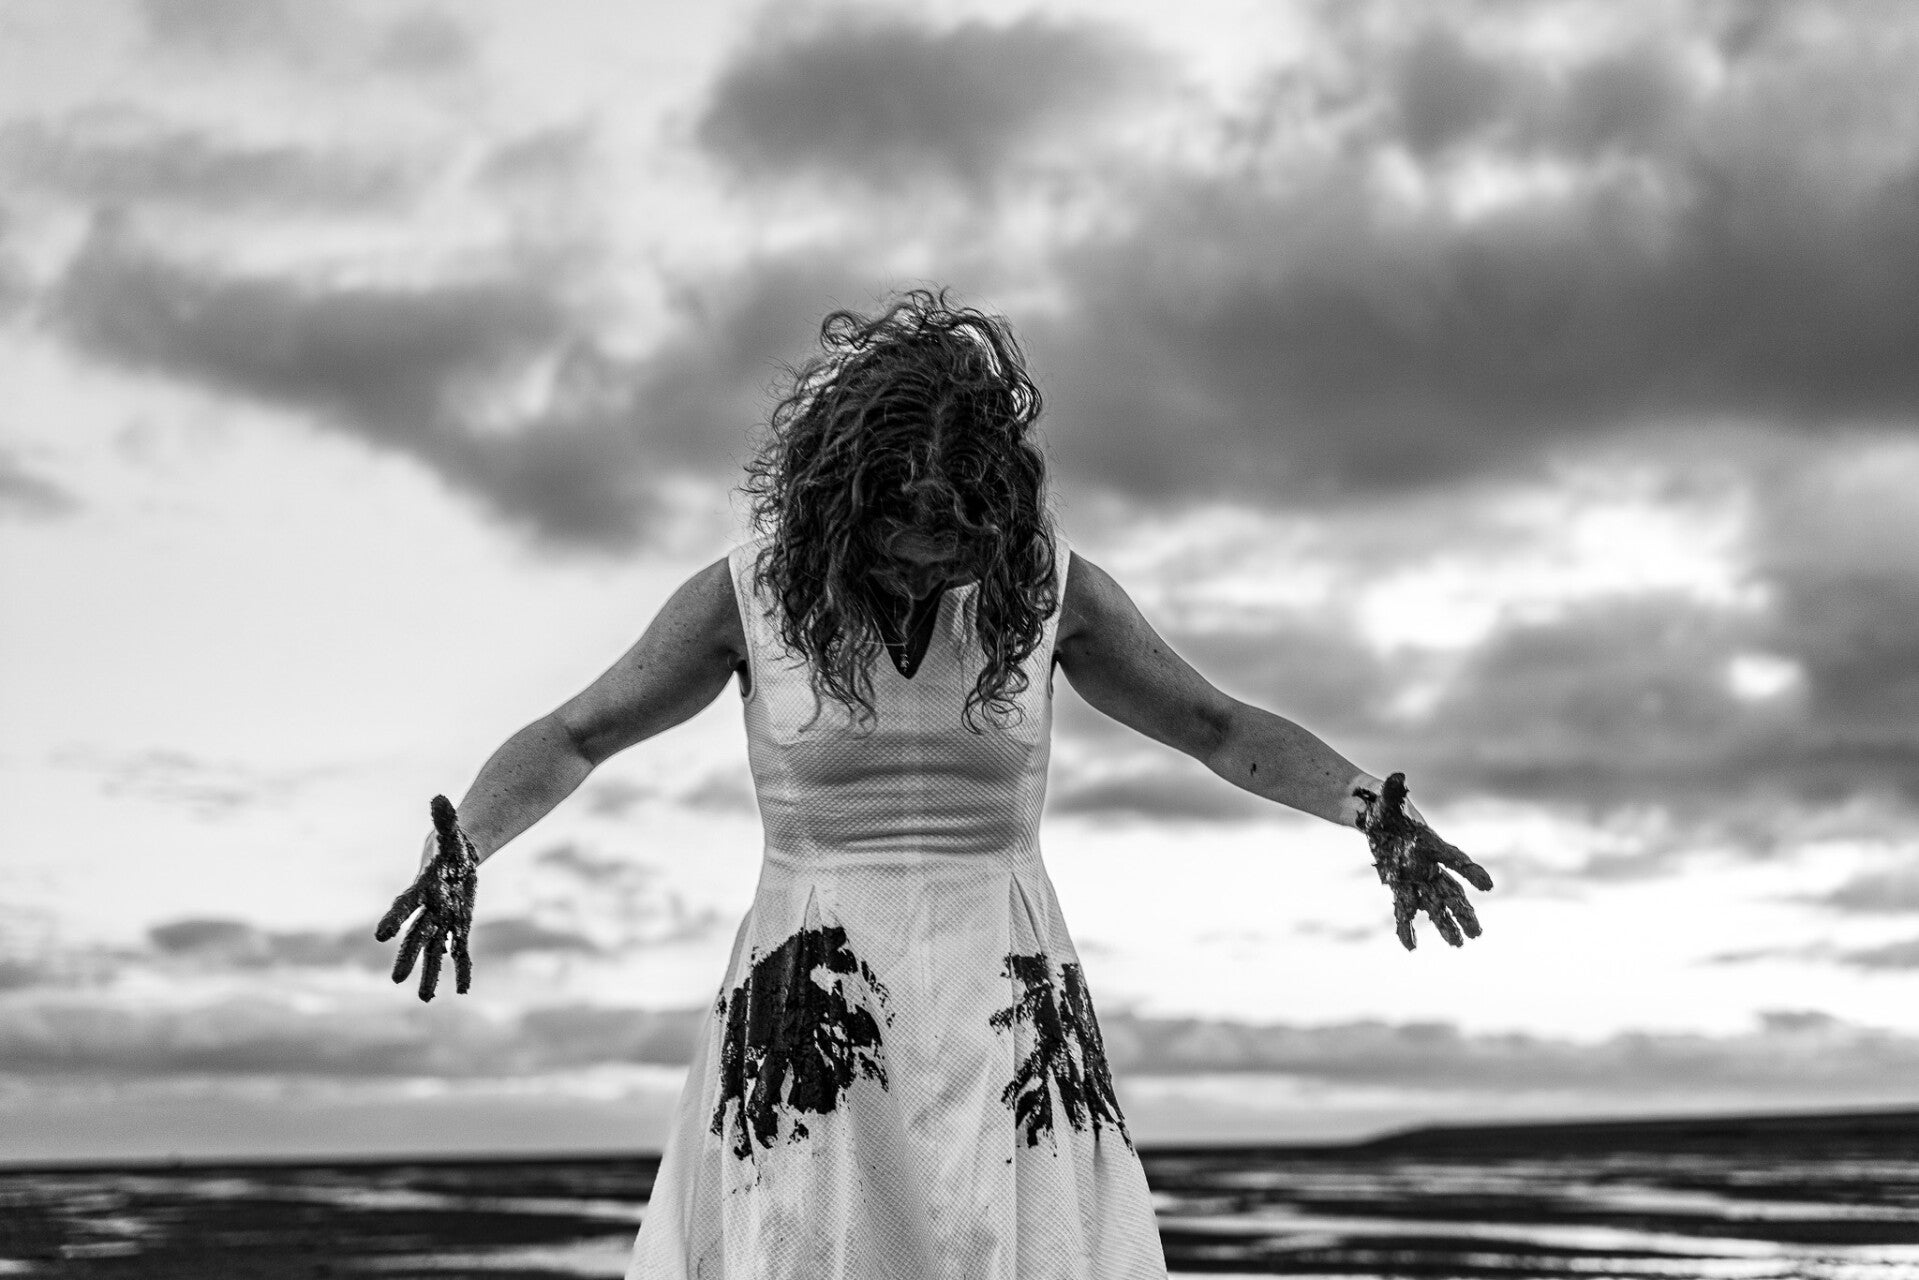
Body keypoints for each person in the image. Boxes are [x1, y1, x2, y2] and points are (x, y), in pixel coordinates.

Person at [376, 288, 1492, 1279]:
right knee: (804, 1244)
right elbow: (575, 734)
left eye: (952, 547)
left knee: (1008, 1243)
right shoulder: (744, 597)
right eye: (896, 544)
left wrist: (1366, 809)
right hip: (812, 986)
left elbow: (1216, 724)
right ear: (837, 507)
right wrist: (463, 843)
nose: (922, 571)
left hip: (1002, 976)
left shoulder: (1047, 590)